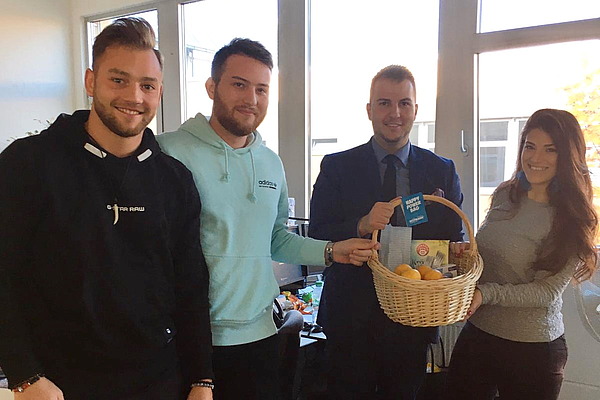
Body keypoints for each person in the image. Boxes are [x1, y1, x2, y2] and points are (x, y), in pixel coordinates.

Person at [0, 18, 213, 400]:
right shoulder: (28, 164)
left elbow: (191, 286)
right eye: (118, 80)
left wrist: (202, 379)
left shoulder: (175, 181)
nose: (134, 96)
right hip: (59, 385)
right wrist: (24, 375)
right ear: (90, 81)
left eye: (147, 85)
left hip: (159, 381)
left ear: (159, 92)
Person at [157, 38, 378, 400]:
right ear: (212, 87)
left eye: (261, 89)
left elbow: (276, 238)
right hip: (191, 337)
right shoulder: (170, 151)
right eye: (239, 84)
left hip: (260, 334)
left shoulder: (270, 163)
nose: (251, 99)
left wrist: (333, 250)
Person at [308, 65, 464, 399]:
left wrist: (459, 251)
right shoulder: (336, 167)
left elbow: (454, 238)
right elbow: (317, 233)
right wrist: (361, 224)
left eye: (404, 103)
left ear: (415, 110)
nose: (395, 113)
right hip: (350, 319)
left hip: (413, 320)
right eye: (384, 103)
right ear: (369, 110)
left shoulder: (441, 170)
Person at [445, 108, 598, 400]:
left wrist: (486, 294)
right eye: (530, 146)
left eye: (550, 149)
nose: (536, 158)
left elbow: (546, 291)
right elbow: (490, 253)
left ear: (567, 156)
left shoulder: (573, 218)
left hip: (532, 349)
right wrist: (467, 255)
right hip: (479, 332)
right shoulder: (506, 194)